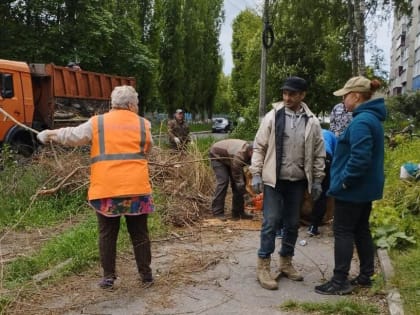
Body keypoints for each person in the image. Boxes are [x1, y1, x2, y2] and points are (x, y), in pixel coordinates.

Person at [37, 85, 154, 289]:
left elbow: (72, 136)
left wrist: (50, 134)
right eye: (136, 104)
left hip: (107, 190)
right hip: (136, 188)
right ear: (129, 105)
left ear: (113, 104)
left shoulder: (98, 122)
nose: (137, 107)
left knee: (107, 234)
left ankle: (109, 277)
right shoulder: (144, 124)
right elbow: (147, 148)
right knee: (140, 233)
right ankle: (146, 276)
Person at [250, 76, 326, 290]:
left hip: (297, 181)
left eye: (292, 94)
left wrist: (318, 180)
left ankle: (286, 262)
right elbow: (259, 146)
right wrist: (256, 173)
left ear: (302, 95)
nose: (287, 97)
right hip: (274, 180)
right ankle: (263, 265)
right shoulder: (273, 117)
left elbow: (319, 153)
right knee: (271, 221)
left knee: (292, 223)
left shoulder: (311, 122)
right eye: (285, 93)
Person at [315, 76, 385, 295]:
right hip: (363, 189)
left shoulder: (362, 121)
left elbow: (360, 158)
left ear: (356, 96)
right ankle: (366, 276)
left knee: (343, 231)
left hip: (353, 190)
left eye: (345, 95)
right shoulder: (370, 118)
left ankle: (339, 282)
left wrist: (345, 181)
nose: (343, 99)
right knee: (361, 229)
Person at [209, 139, 254, 221]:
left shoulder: (253, 152)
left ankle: (238, 213)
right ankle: (217, 212)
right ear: (251, 152)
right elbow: (238, 180)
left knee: (239, 183)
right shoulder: (239, 156)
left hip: (230, 157)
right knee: (224, 181)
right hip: (217, 155)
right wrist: (246, 196)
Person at [307, 128, 337, 236]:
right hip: (325, 157)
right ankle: (314, 225)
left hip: (310, 157)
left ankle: (292, 222)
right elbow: (337, 155)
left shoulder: (310, 131)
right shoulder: (331, 135)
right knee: (322, 193)